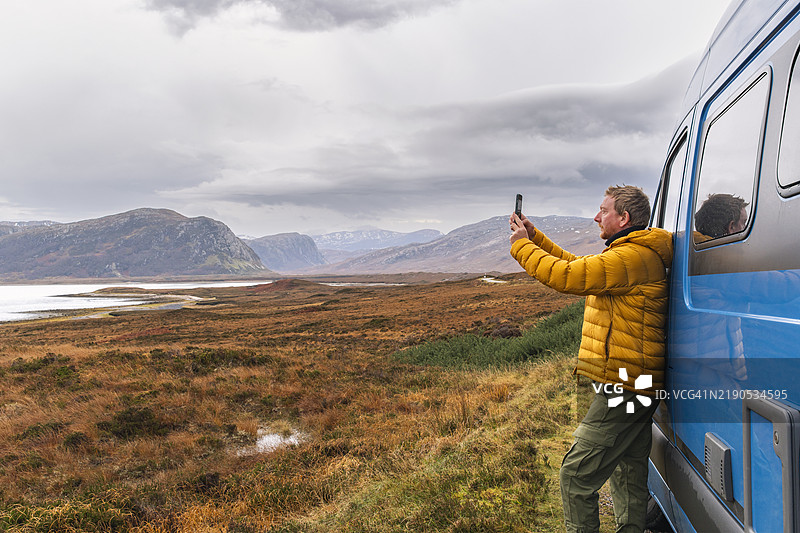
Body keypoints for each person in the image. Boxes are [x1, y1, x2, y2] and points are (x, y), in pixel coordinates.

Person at [509, 185, 673, 533]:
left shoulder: (630, 258)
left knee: (575, 475)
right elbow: (578, 265)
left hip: (625, 384)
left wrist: (521, 246)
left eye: (604, 210)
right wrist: (536, 239)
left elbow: (567, 276)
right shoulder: (630, 254)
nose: (597, 217)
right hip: (636, 381)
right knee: (628, 469)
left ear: (623, 218)